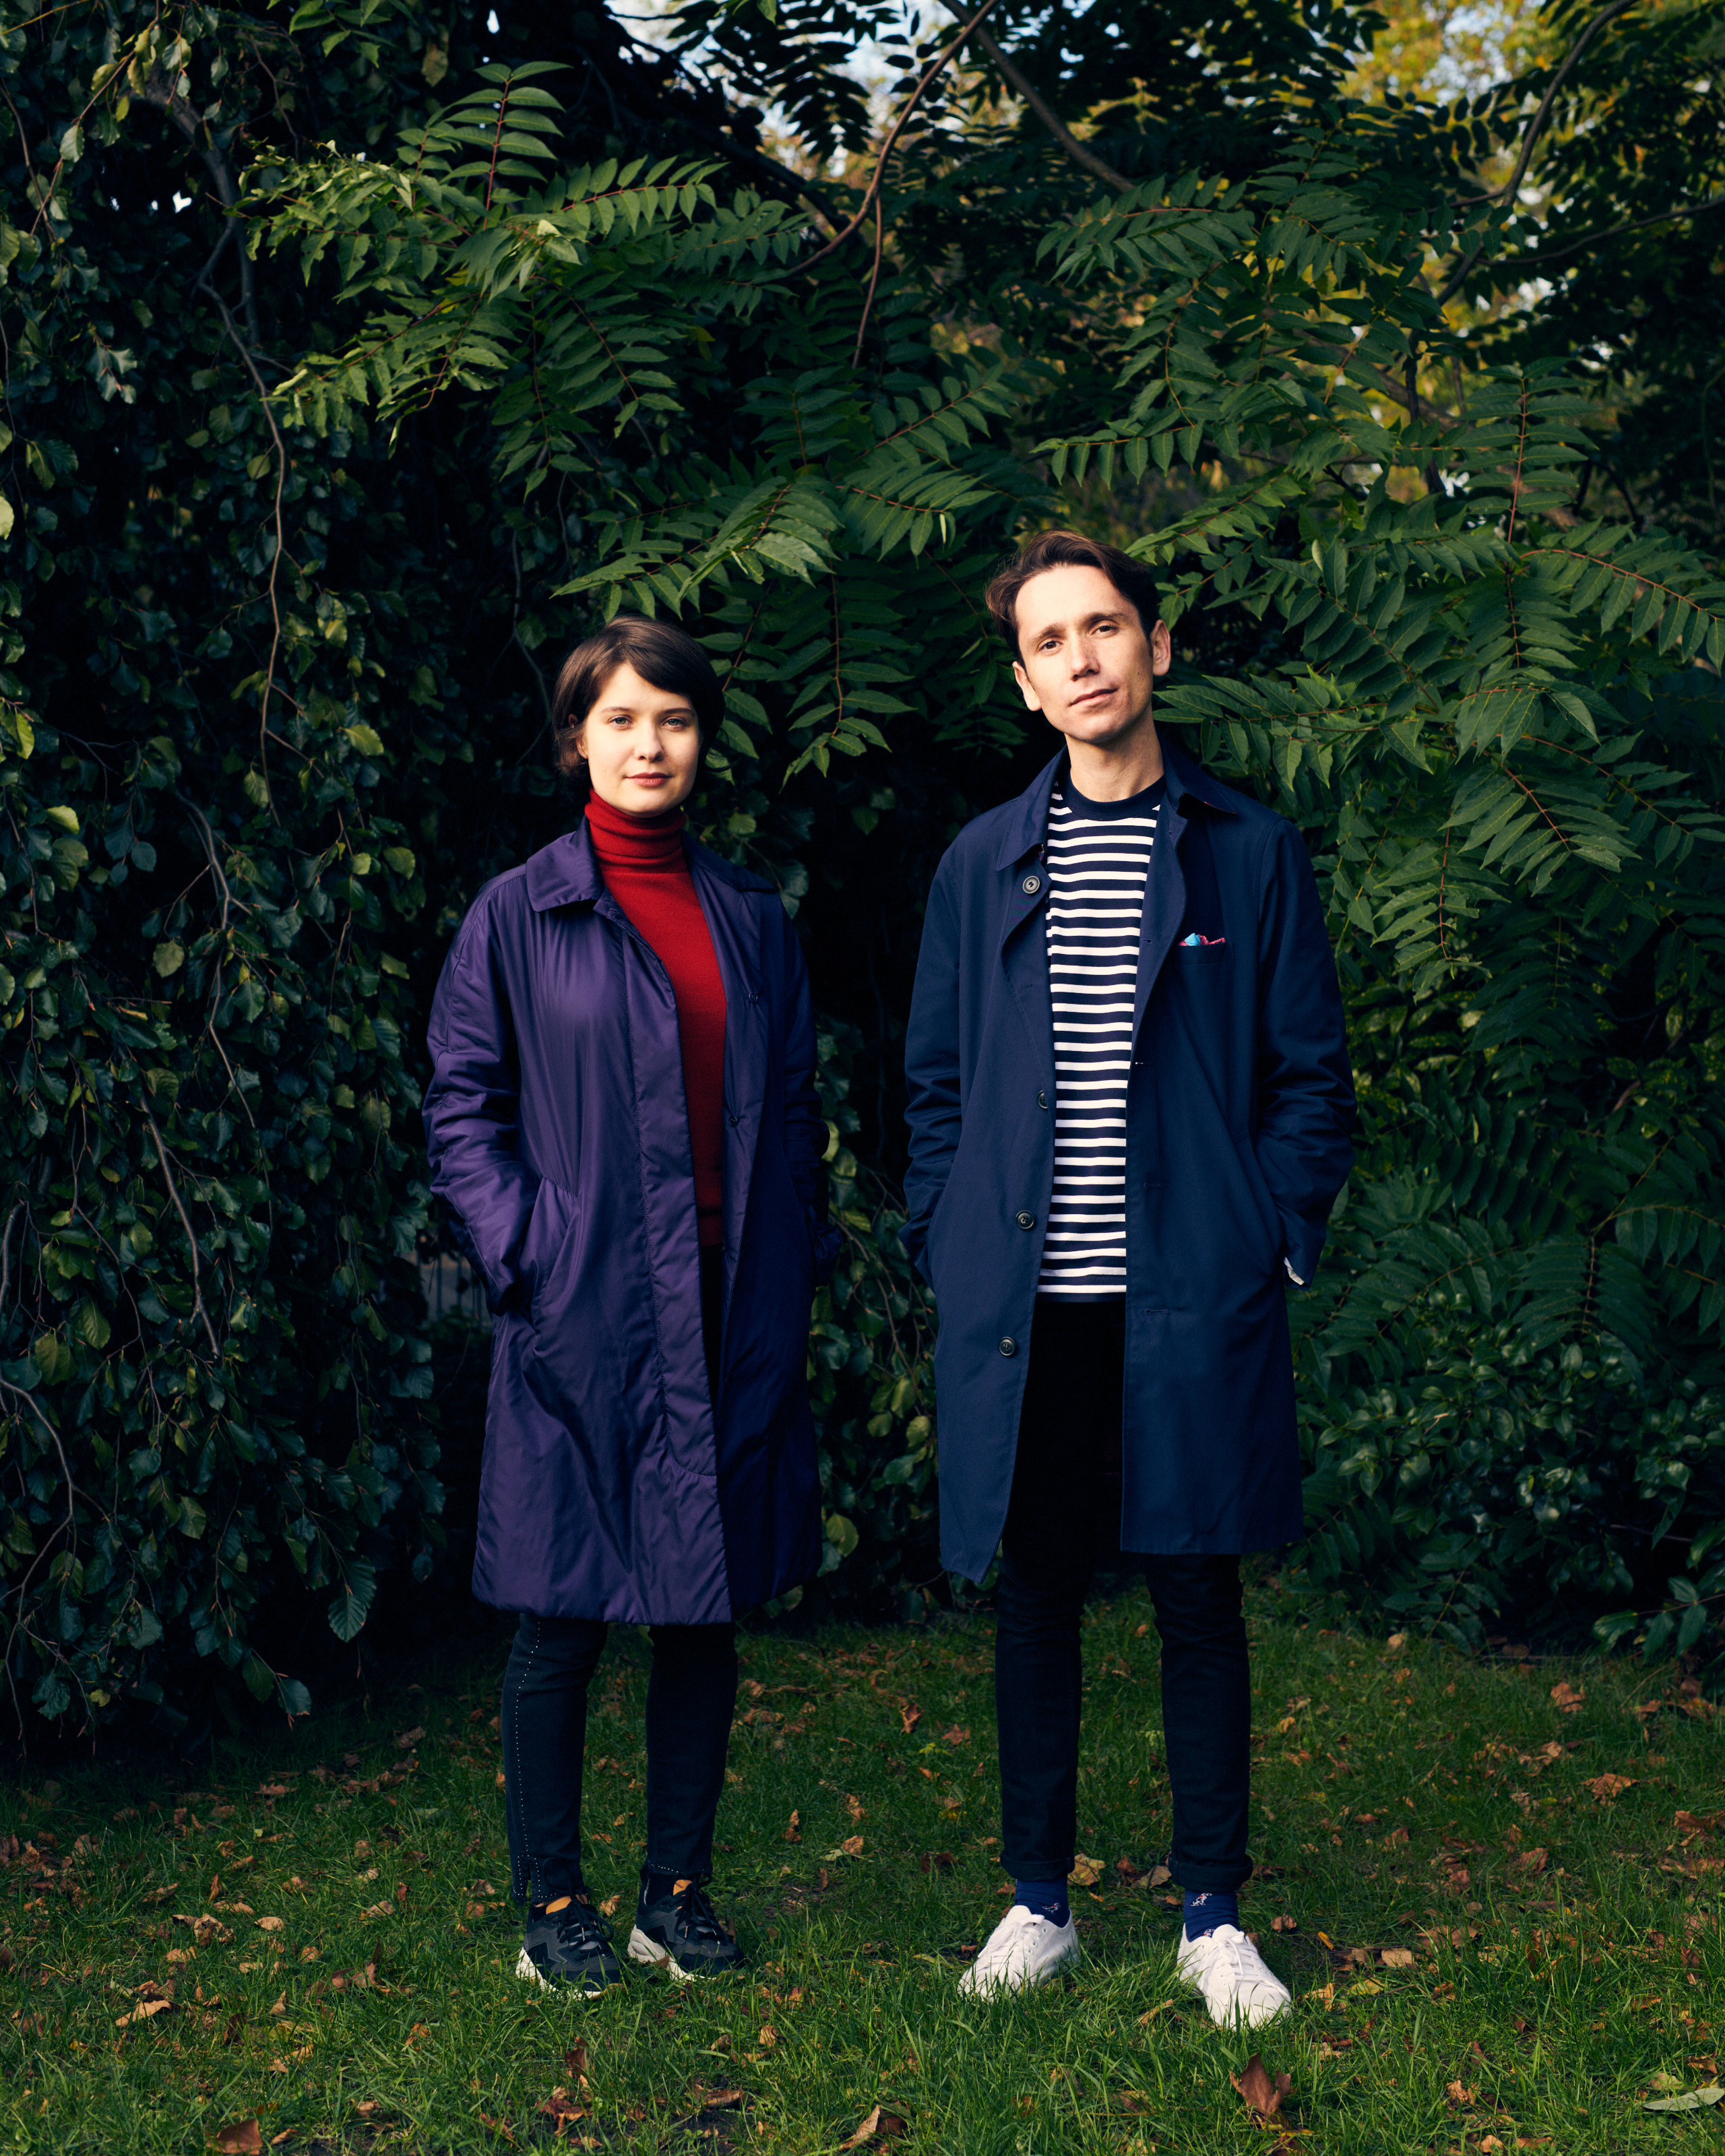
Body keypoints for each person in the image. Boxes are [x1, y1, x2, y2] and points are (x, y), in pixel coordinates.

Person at [902, 530, 1355, 2023]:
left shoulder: (1245, 848)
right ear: (1025, 685)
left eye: (1104, 628)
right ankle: (1037, 1899)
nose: (1082, 658)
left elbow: (1308, 1081)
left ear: (1155, 649)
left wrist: (1268, 1234)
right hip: (1030, 1310)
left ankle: (1209, 1914)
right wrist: (947, 1240)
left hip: (1186, 1295)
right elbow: (936, 1089)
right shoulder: (981, 864)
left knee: (1193, 1594)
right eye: (1050, 641)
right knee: (1033, 1595)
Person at [425, 616, 836, 1994]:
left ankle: (675, 1894)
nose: (647, 743)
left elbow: (795, 1115)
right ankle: (552, 1901)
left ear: (699, 739)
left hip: (728, 1317)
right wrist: (526, 1254)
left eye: (671, 719)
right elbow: (461, 1110)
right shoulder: (516, 912)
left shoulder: (752, 916)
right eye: (619, 721)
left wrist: (792, 1259)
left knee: (699, 1616)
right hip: (582, 1317)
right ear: (574, 744)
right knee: (557, 1618)